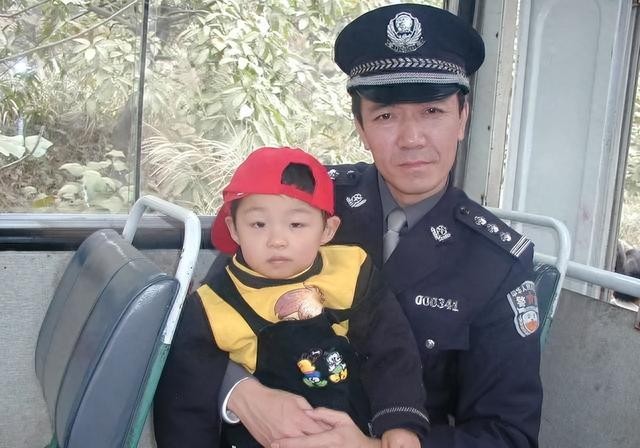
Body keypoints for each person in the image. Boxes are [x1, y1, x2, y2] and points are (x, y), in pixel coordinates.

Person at [219, 4, 543, 448]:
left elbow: (508, 435)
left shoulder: (495, 263)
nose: (411, 139)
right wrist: (241, 393)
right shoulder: (302, 205)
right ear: (360, 126)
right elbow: (204, 314)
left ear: (463, 117)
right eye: (386, 116)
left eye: (432, 111)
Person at [153, 146, 431, 447]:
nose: (277, 240)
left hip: (352, 431)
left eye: (296, 224)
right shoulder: (212, 305)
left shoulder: (351, 272)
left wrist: (399, 422)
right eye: (258, 224)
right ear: (234, 229)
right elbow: (185, 403)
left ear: (327, 230)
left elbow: (391, 349)